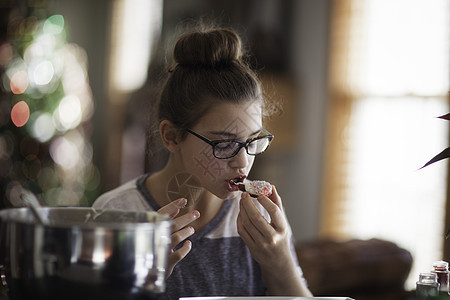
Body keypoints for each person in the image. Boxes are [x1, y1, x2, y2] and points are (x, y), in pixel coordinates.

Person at [93, 25, 313, 299]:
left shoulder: (260, 220)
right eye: (224, 143)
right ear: (172, 137)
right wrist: (138, 282)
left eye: (252, 141)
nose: (242, 161)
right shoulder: (114, 214)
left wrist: (280, 261)